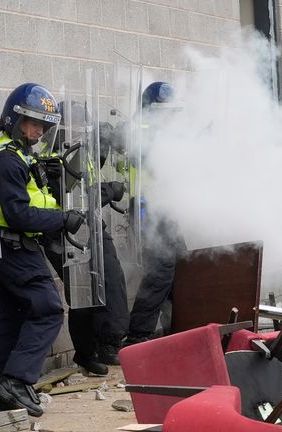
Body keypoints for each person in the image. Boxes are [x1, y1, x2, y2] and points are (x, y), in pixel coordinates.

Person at [0, 83, 83, 417]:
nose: (39, 130)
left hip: (6, 245)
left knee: (12, 321)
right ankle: (16, 381)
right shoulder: (7, 160)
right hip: (12, 245)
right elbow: (18, 213)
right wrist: (61, 219)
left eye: (44, 124)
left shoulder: (19, 155)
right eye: (33, 121)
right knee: (49, 308)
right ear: (15, 118)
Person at [39, 101, 130, 371]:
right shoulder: (55, 156)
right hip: (65, 231)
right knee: (84, 292)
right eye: (80, 125)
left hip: (88, 227)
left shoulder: (80, 150)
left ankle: (101, 347)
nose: (84, 130)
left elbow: (86, 180)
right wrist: (108, 192)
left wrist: (105, 142)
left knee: (106, 284)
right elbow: (71, 196)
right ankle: (91, 350)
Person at [123, 82, 187, 346]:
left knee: (182, 266)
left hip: (162, 208)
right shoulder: (143, 134)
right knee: (160, 271)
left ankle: (177, 326)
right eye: (167, 111)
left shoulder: (158, 133)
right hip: (148, 209)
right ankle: (138, 334)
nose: (172, 116)